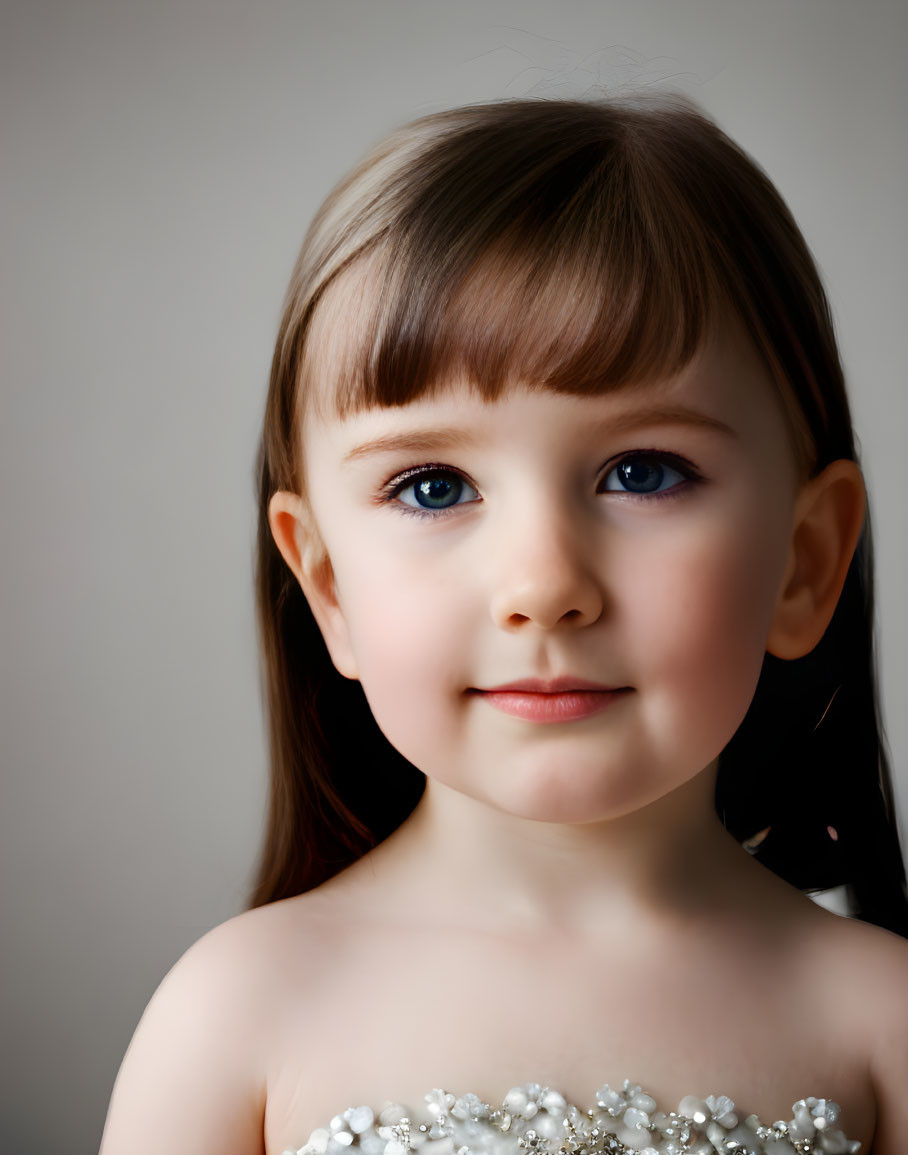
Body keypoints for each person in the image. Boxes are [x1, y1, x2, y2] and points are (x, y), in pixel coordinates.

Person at [99, 95, 908, 1155]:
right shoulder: (237, 1015)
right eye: (433, 487)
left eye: (642, 472)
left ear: (802, 564)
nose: (541, 585)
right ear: (329, 586)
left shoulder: (877, 1026)